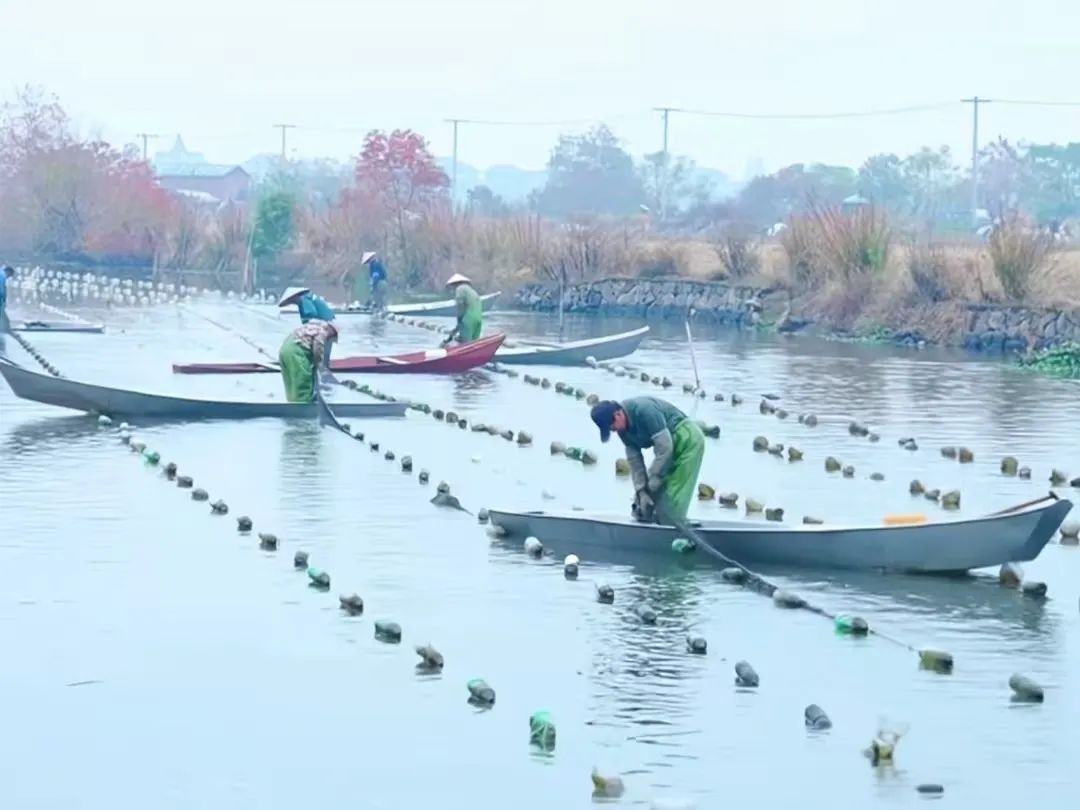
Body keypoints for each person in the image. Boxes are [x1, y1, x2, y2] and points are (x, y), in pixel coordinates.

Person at [590, 396, 706, 525]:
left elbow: (664, 448)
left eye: (613, 427)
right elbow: (635, 463)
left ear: (618, 414)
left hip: (687, 438)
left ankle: (674, 526)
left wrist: (652, 482)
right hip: (669, 444)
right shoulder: (623, 431)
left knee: (674, 492)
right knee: (647, 499)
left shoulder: (644, 411)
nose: (614, 431)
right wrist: (641, 491)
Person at [278, 318, 338, 403]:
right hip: (297, 351)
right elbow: (318, 348)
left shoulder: (309, 327)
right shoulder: (323, 331)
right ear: (331, 330)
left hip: (284, 350)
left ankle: (292, 405)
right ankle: (303, 408)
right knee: (303, 380)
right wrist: (319, 365)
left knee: (291, 382)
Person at [278, 286, 336, 367]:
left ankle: (322, 370)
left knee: (322, 354)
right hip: (331, 326)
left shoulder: (304, 299)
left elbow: (311, 314)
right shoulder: (309, 297)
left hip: (326, 327)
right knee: (324, 353)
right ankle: (322, 368)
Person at [441, 273, 483, 346]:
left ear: (455, 284)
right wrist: (456, 329)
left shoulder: (460, 289)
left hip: (469, 319)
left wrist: (459, 323)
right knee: (474, 344)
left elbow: (460, 307)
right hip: (478, 319)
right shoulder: (472, 291)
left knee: (465, 344)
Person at [0, 265, 14, 332]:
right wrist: (3, 302)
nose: (9, 277)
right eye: (10, 275)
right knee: (6, 322)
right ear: (8, 272)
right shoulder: (2, 276)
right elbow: (1, 291)